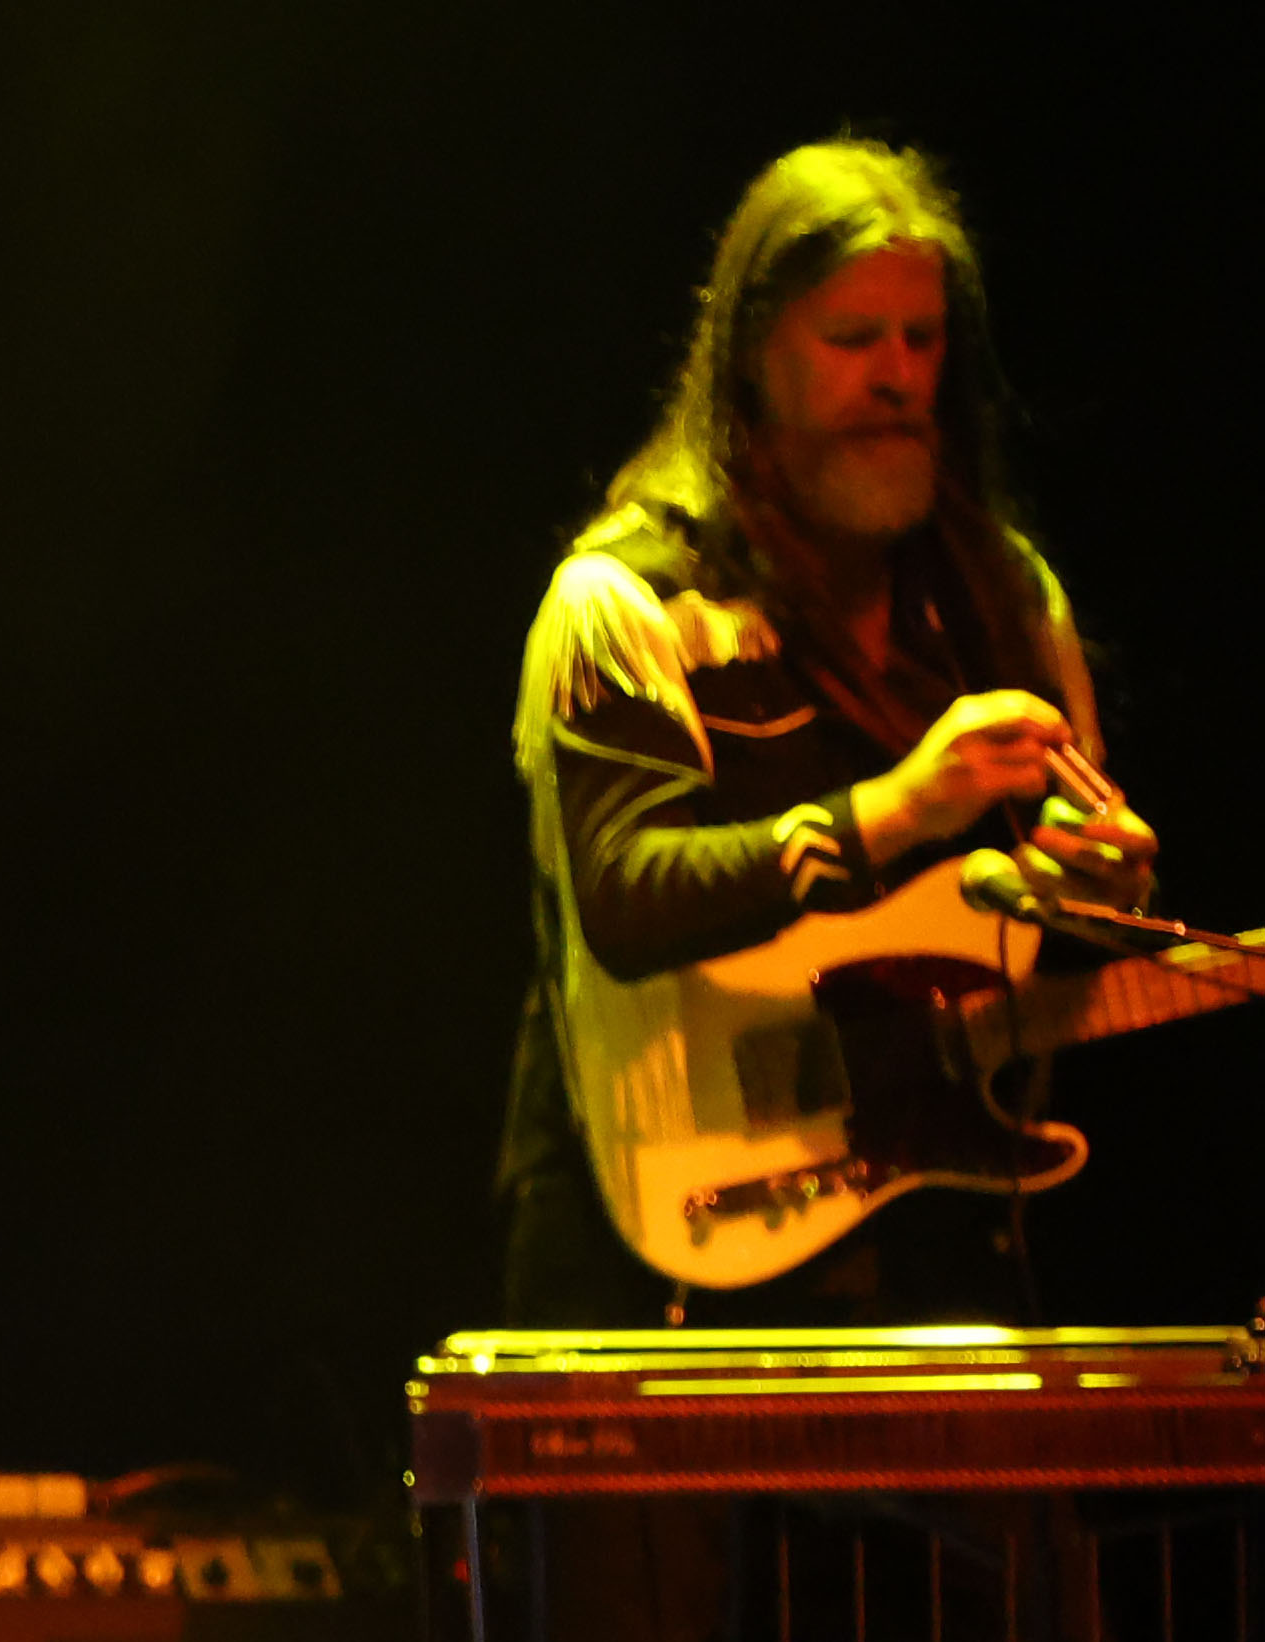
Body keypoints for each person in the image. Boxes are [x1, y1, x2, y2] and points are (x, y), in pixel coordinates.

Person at [495, 137, 1158, 1331]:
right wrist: (899, 805)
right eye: (851, 341)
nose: (897, 376)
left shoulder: (1004, 603)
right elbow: (628, 894)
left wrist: (1096, 889)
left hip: (933, 1234)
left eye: (920, 339)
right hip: (658, 1248)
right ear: (752, 357)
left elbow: (1043, 939)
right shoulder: (627, 599)